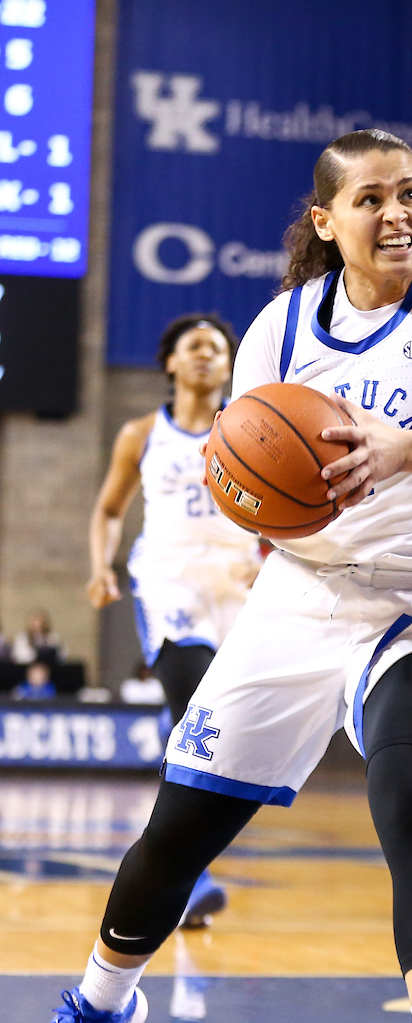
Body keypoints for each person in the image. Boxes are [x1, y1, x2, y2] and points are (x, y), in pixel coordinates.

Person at [8, 128, 412, 1023]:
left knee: (408, 790)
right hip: (301, 596)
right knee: (181, 825)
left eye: (409, 193)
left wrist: (405, 448)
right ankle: (100, 1002)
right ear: (325, 221)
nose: (397, 212)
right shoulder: (283, 324)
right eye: (370, 199)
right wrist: (265, 514)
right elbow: (247, 466)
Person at [86, 313, 263, 928]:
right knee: (196, 707)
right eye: (194, 347)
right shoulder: (141, 434)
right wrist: (101, 564)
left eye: (217, 349)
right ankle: (193, 874)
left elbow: (283, 505)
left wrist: (275, 552)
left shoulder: (254, 431)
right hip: (168, 583)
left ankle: (184, 859)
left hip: (238, 584)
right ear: (170, 362)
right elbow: (109, 510)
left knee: (223, 735)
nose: (207, 357)